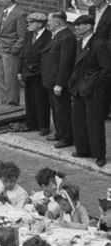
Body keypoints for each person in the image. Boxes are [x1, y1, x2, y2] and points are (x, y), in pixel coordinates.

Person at [70, 14, 107, 166]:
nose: (76, 28)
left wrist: (94, 84)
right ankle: (83, 149)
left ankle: (99, 154)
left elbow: (106, 69)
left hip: (92, 89)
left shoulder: (99, 44)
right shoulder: (80, 43)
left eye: (79, 25)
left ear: (88, 26)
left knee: (94, 122)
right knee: (79, 119)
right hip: (79, 87)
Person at [46, 11, 78, 149]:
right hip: (51, 80)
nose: (48, 23)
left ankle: (66, 137)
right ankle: (59, 132)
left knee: (62, 110)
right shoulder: (58, 35)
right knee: (56, 108)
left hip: (59, 82)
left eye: (50, 21)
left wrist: (59, 83)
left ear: (58, 22)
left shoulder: (67, 38)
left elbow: (65, 63)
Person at [19, 10, 53, 134]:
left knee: (41, 100)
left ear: (39, 24)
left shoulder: (48, 37)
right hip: (28, 72)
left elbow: (46, 57)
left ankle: (43, 126)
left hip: (39, 74)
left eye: (31, 22)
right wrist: (20, 71)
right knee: (29, 99)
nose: (28, 24)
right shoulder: (29, 35)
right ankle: (31, 123)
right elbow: (23, 54)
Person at [0, 0, 26, 106]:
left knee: (10, 80)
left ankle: (12, 104)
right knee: (0, 78)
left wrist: (14, 49)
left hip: (9, 51)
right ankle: (3, 103)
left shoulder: (20, 14)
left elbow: (22, 36)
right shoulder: (3, 11)